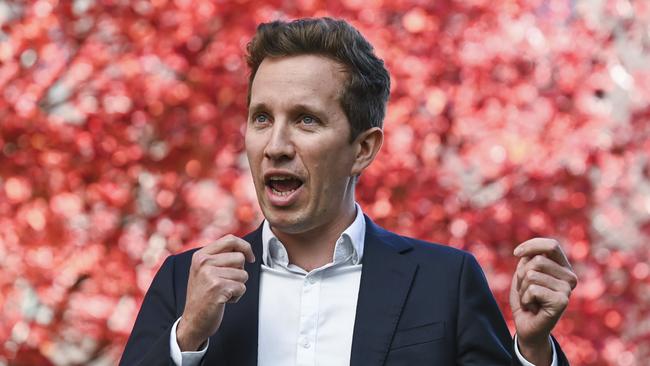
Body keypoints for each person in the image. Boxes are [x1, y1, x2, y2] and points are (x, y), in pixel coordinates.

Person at [120, 17, 578, 366]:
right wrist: (187, 340)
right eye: (262, 118)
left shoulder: (446, 282)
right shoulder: (186, 282)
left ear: (363, 149)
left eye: (306, 119)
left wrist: (534, 349)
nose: (275, 146)